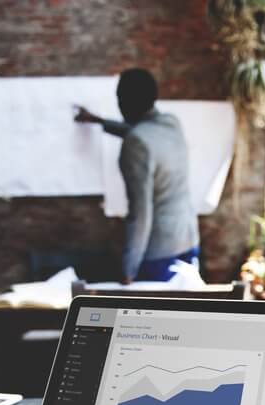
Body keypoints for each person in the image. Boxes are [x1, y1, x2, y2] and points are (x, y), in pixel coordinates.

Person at [75, 68, 199, 283]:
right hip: (187, 239)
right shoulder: (171, 124)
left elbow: (140, 213)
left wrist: (129, 268)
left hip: (158, 252)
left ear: (125, 102)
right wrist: (99, 121)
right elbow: (140, 132)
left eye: (119, 99)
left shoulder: (137, 143)